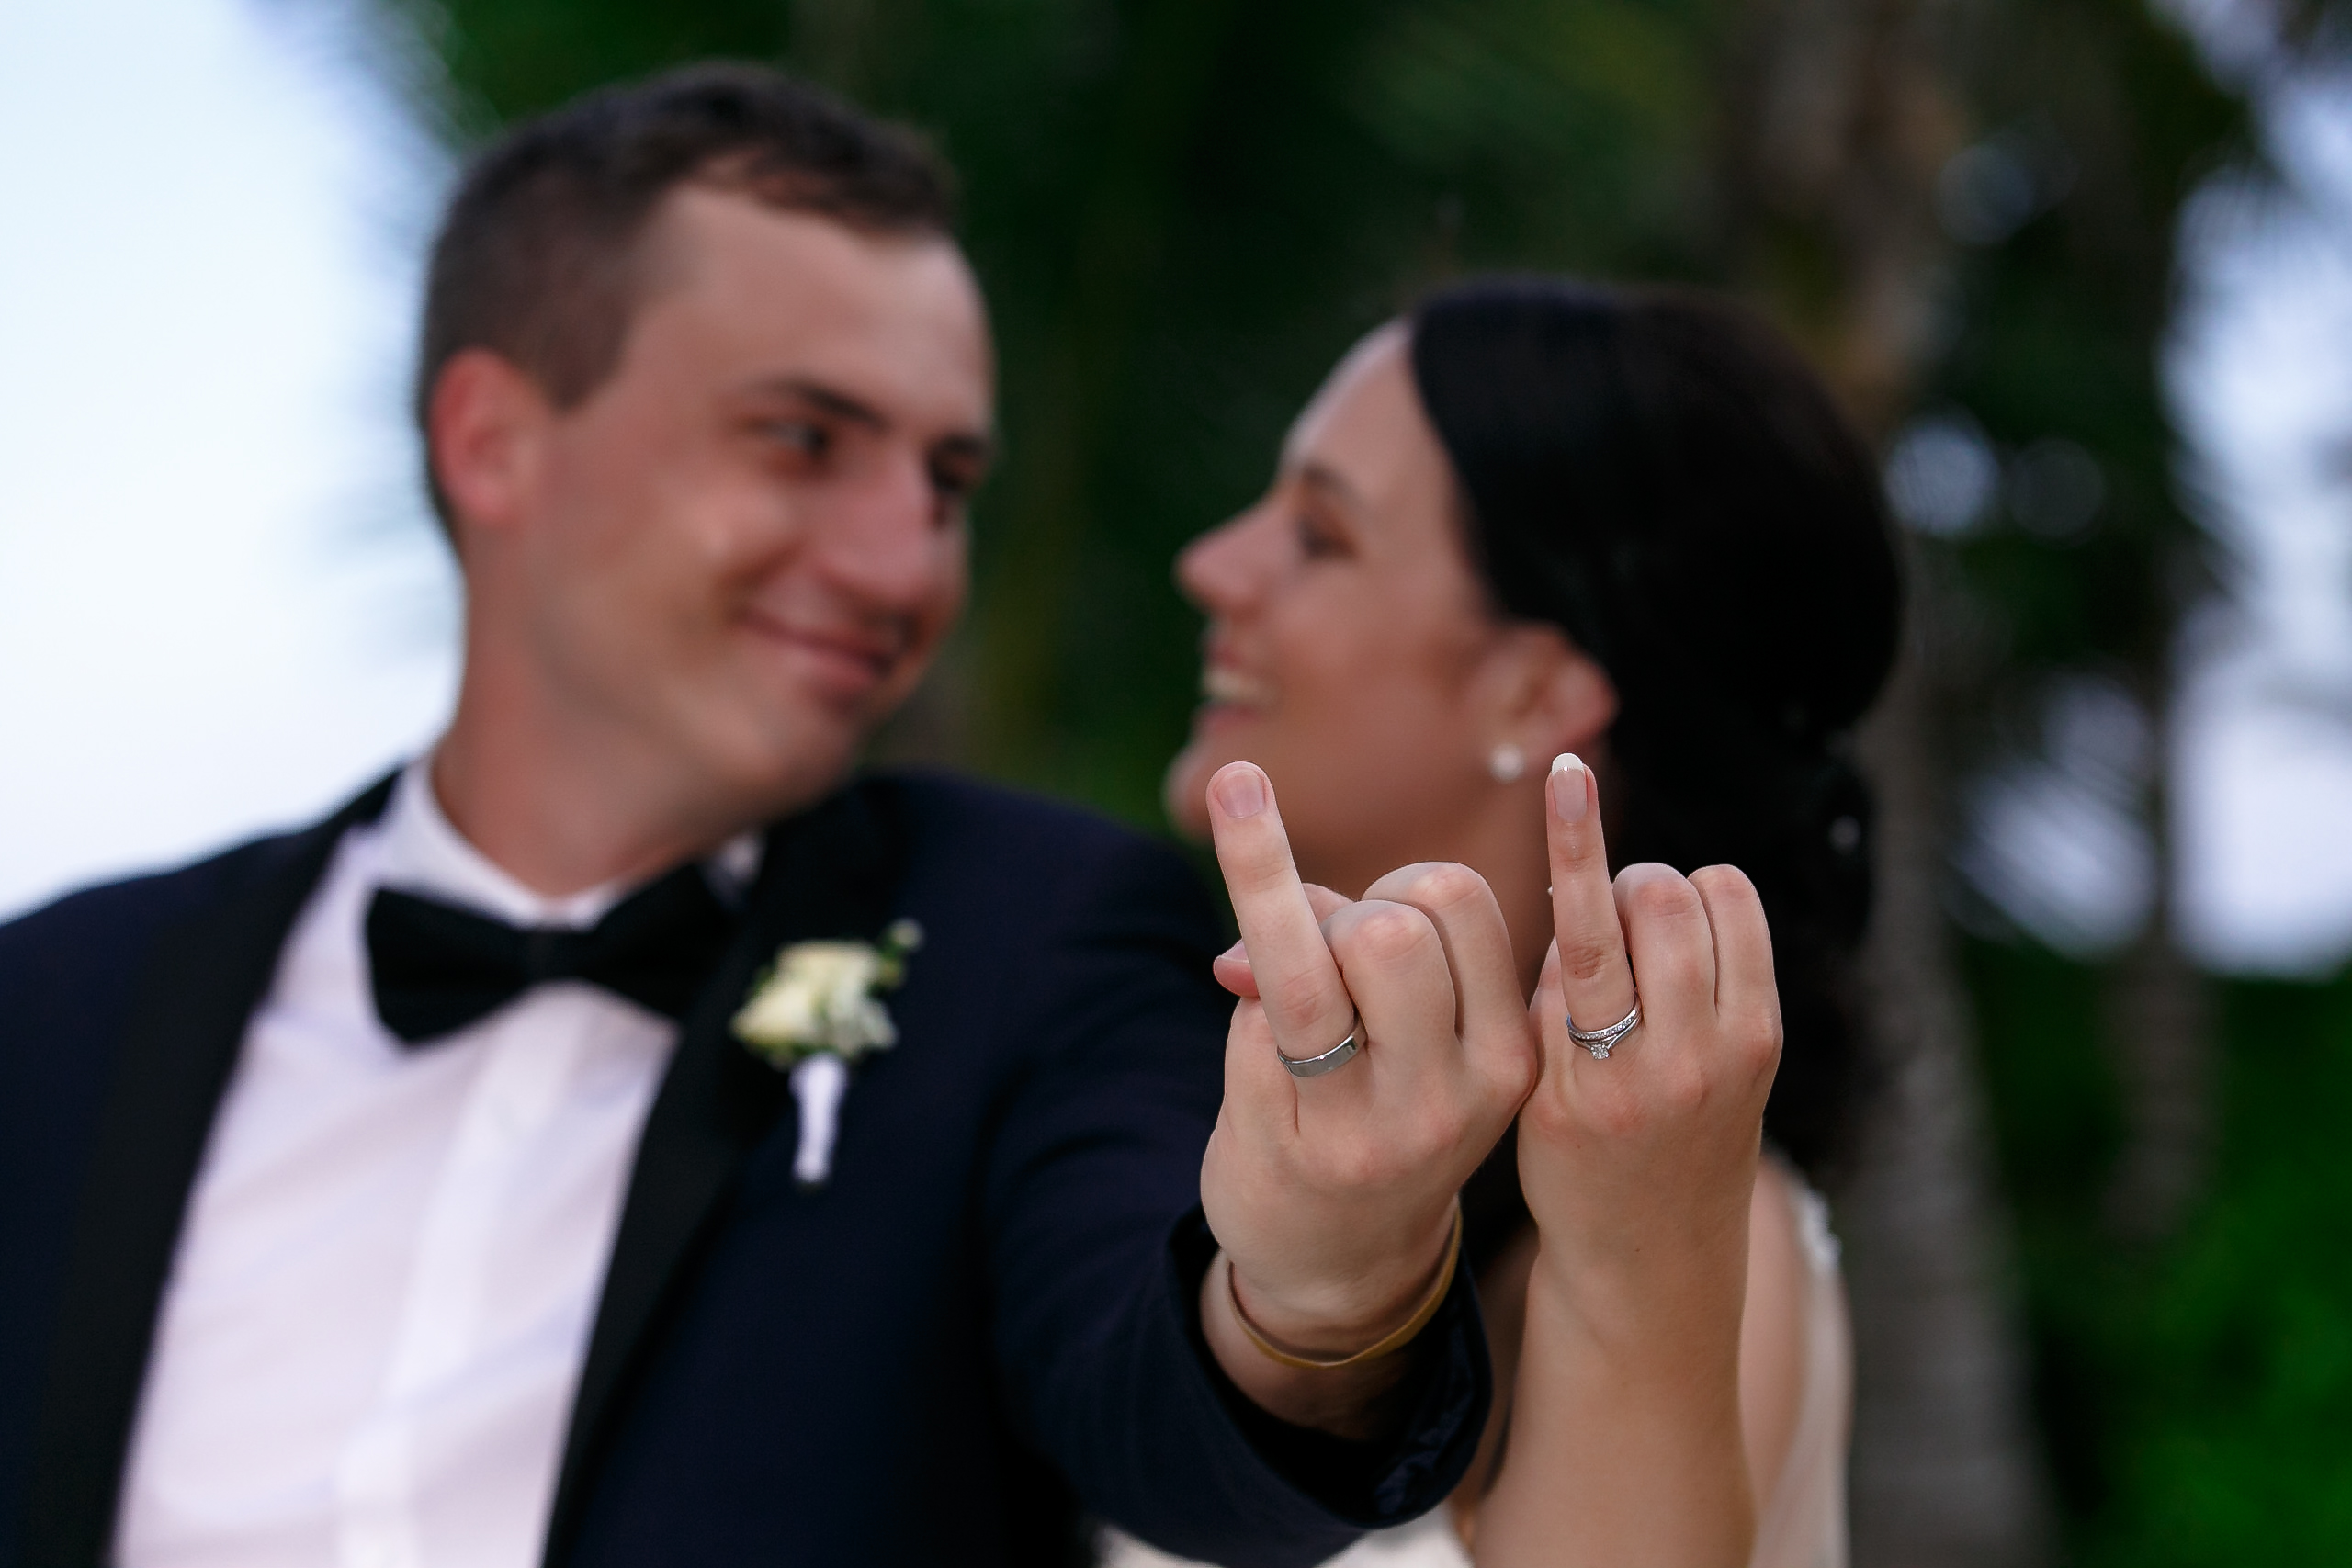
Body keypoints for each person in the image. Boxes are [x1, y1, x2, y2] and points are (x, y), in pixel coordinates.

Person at [0, 67, 1570, 1568]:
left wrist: (1319, 1279)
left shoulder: (1037, 938)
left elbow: (1178, 1412)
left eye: (947, 482)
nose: (906, 569)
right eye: (804, 441)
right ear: (494, 441)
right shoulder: (59, 1005)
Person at [1125, 276, 1901, 1566]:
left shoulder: (1710, 1243)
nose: (1211, 564)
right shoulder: (1186, 1102)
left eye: (1319, 533)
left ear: (1537, 690)